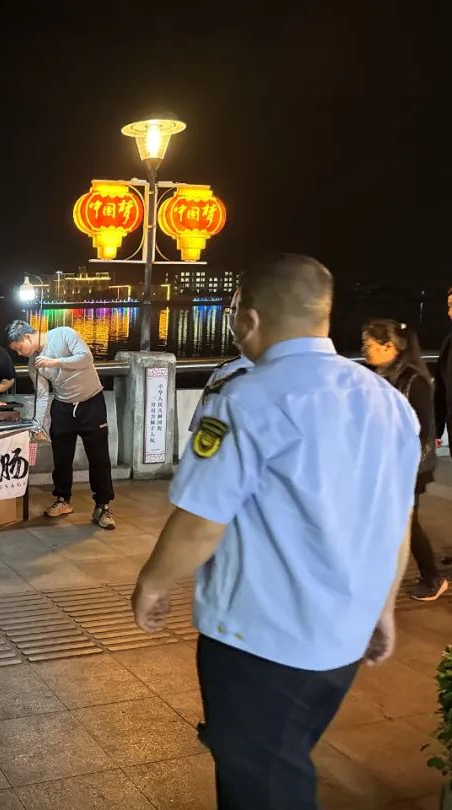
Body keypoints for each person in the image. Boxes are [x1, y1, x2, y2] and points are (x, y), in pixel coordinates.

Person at [130, 255, 420, 810]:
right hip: (344, 641)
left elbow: (201, 522)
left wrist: (153, 583)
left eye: (234, 312)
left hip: (261, 642)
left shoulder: (247, 399)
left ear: (249, 319)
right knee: (284, 755)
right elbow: (396, 519)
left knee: (262, 785)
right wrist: (383, 607)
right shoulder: (388, 402)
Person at [362, 319, 447, 601]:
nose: (365, 350)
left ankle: (433, 577)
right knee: (391, 522)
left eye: (369, 344)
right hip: (388, 465)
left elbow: (422, 433)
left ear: (389, 347)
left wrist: (404, 469)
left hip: (410, 468)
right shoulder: (383, 377)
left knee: (406, 523)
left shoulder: (413, 380)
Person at [5, 319, 115, 530]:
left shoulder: (64, 334)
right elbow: (42, 395)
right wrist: (37, 424)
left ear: (27, 337)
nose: (19, 353)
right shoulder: (34, 364)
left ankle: (103, 506)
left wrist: (54, 362)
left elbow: (86, 358)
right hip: (62, 407)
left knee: (99, 457)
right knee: (62, 457)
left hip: (91, 402)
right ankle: (63, 499)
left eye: (19, 348)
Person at [188, 288, 254, 433]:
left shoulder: (227, 375)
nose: (231, 317)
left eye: (234, 310)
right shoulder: (297, 370)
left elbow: (203, 438)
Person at [435, 285, 452, 450]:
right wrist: (437, 429)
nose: (450, 313)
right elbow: (441, 389)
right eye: (449, 306)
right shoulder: (448, 343)